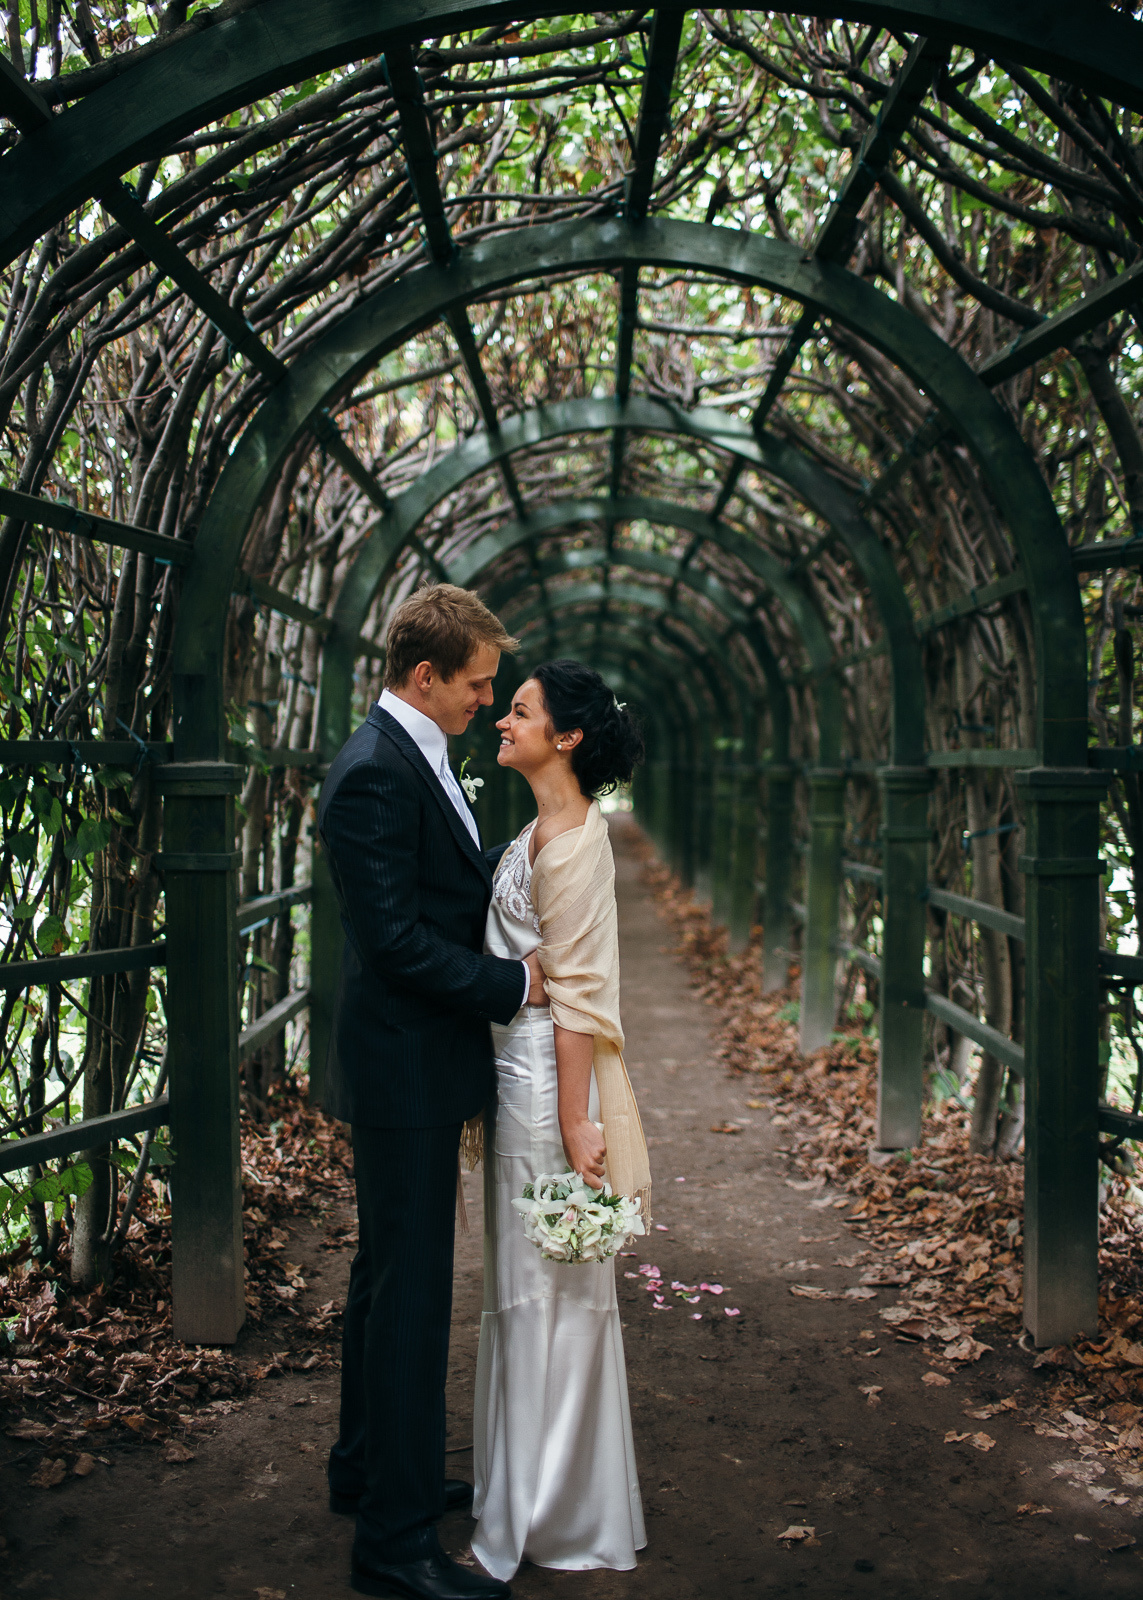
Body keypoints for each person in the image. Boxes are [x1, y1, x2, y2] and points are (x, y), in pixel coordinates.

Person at [318, 584, 548, 1600]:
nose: (486, 702)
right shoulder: (373, 771)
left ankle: (370, 1470)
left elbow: (443, 885)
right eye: (476, 683)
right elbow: (396, 944)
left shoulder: (412, 754)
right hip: (405, 1064)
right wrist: (514, 984)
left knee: (383, 1280)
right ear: (426, 676)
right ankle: (396, 1546)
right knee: (411, 1297)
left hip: (411, 1060)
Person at [471, 659, 651, 1581]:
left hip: (545, 1090)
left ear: (566, 736)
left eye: (521, 710)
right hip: (514, 1077)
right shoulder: (539, 825)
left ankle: (550, 1513)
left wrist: (579, 1123)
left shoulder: (577, 841)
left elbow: (576, 1001)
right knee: (522, 1282)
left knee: (550, 1287)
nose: (502, 719)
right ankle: (528, 1492)